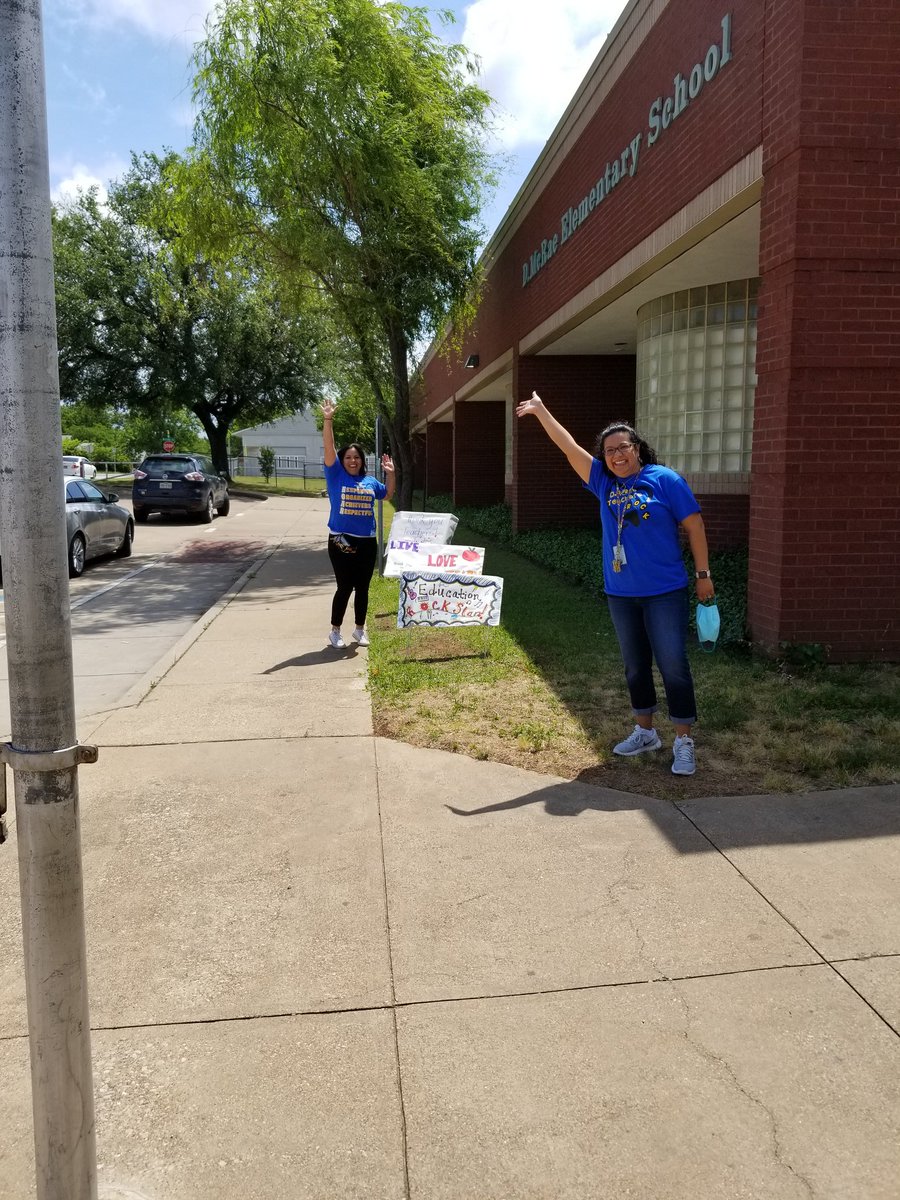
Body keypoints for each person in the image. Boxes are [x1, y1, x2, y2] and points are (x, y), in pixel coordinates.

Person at [515, 391, 714, 776]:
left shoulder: (665, 480)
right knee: (635, 666)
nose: (616, 455)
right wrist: (541, 411)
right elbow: (567, 446)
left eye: (623, 447)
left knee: (673, 664)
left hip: (664, 592)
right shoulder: (603, 483)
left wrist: (703, 575)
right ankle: (645, 732)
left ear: (637, 448)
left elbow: (695, 526)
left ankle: (684, 741)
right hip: (622, 594)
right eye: (609, 451)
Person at [321, 399, 395, 648]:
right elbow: (329, 447)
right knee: (345, 586)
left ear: (362, 461)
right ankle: (335, 631)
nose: (353, 461)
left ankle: (360, 630)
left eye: (357, 458)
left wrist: (391, 474)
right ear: (342, 461)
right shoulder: (335, 475)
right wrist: (328, 420)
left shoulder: (371, 481)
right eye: (349, 457)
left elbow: (387, 495)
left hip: (367, 542)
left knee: (362, 587)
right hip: (341, 540)